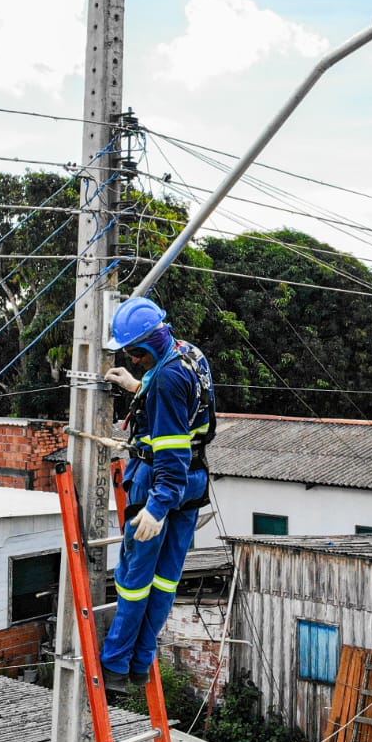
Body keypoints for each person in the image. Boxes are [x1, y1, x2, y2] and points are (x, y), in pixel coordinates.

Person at [97, 296, 215, 694]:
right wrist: (137, 387)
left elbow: (171, 451)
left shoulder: (164, 380)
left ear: (144, 346)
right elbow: (185, 400)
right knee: (167, 579)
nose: (133, 359)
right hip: (194, 482)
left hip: (162, 482)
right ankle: (142, 663)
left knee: (136, 579)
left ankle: (115, 665)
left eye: (134, 354)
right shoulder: (189, 354)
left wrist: (156, 506)